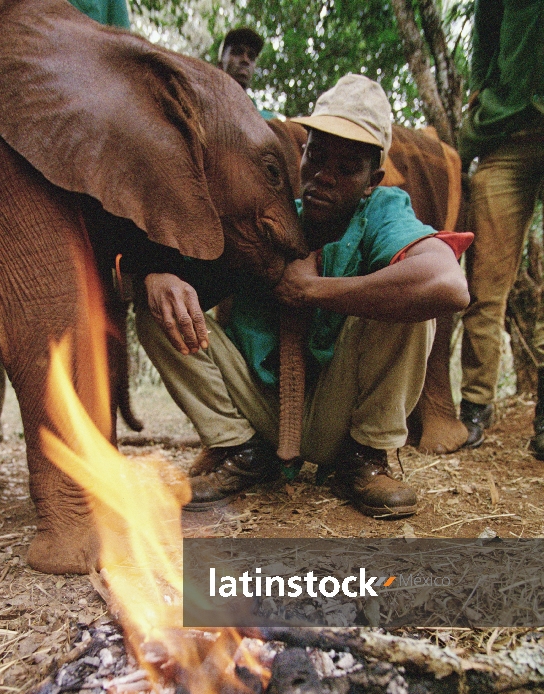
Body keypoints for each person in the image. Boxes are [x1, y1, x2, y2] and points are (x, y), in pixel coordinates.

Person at [137, 74, 471, 518]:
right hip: (260, 407)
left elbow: (447, 284)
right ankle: (238, 450)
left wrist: (312, 290)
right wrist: (159, 274)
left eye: (346, 166)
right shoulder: (270, 215)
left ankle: (366, 457)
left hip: (340, 416)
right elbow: (192, 275)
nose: (324, 177)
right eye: (317, 157)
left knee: (413, 304)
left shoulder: (383, 212)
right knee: (157, 304)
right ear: (301, 155)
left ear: (372, 179)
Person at [0, 0, 131, 498]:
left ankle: (92, 452)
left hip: (74, 150)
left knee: (95, 317)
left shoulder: (108, 3)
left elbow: (115, 65)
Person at [458, 0, 544, 453]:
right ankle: (475, 406)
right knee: (485, 285)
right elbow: (485, 26)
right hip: (505, 130)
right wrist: (479, 91)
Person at [217, 26, 275, 120]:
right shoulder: (203, 109)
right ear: (220, 65)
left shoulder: (268, 121)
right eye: (237, 52)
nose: (245, 60)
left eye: (251, 56)